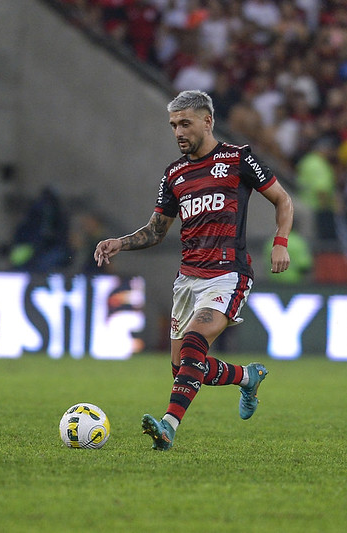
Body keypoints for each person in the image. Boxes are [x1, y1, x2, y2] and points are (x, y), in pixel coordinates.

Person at [94, 90, 294, 451]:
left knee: (193, 345)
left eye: (185, 123)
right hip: (187, 278)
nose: (178, 132)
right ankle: (247, 376)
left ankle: (168, 426)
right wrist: (119, 243)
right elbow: (157, 231)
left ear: (208, 121)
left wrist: (280, 242)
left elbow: (283, 200)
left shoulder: (238, 159)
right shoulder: (175, 173)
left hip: (227, 273)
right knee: (183, 368)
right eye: (173, 125)